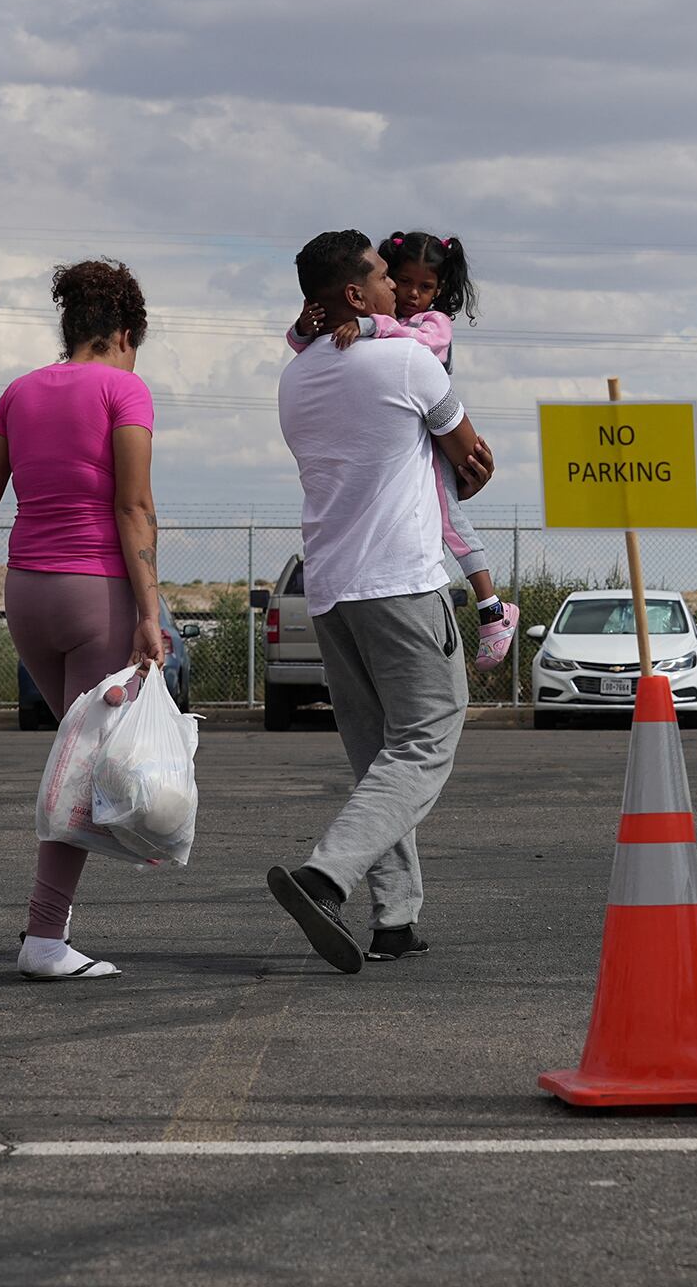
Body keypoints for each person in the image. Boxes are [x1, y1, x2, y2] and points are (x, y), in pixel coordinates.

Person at [266, 230, 493, 974]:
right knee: (427, 739)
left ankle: (395, 918)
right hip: (401, 582)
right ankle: (326, 875)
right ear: (356, 296)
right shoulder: (407, 360)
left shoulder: (293, 380)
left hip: (330, 592)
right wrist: (468, 466)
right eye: (382, 276)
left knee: (378, 761)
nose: (398, 285)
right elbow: (473, 457)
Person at [0, 258, 165, 982]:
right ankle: (43, 937)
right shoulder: (124, 389)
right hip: (95, 590)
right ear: (125, 334)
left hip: (26, 594)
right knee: (83, 766)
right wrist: (150, 611)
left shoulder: (19, 392)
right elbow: (133, 507)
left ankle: (53, 926)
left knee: (81, 752)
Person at [289, 230, 519, 669]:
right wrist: (307, 326)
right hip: (414, 454)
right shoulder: (354, 345)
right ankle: (491, 609)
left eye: (425, 286)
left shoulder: (428, 330)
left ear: (441, 289)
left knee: (451, 519)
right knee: (449, 514)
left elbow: (413, 347)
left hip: (425, 439)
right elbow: (306, 345)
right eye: (398, 279)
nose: (408, 292)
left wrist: (368, 325)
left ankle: (491, 604)